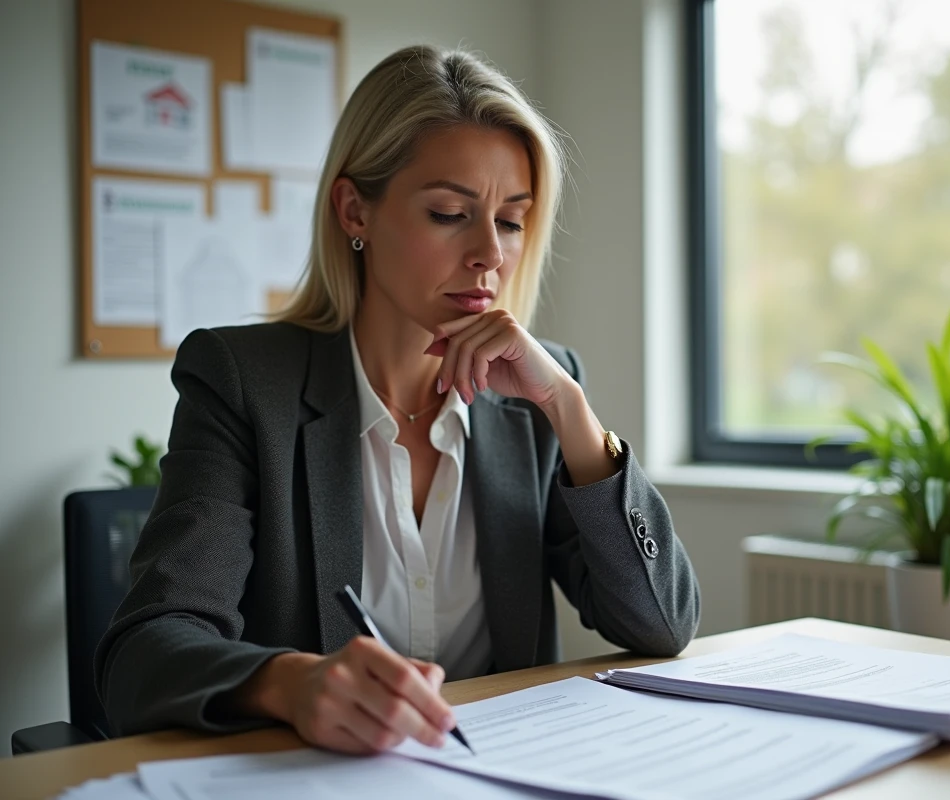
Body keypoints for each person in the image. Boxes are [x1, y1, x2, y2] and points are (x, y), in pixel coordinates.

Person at [95, 44, 700, 755]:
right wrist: (292, 683)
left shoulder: (540, 394)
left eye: (510, 220)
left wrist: (568, 407)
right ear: (355, 210)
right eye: (450, 213)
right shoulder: (241, 380)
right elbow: (144, 652)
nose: (490, 254)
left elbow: (661, 624)